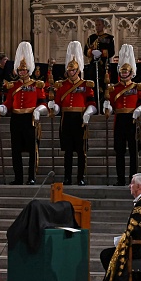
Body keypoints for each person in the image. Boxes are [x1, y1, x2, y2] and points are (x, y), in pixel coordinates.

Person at [0, 42, 48, 185]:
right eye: (20, 70)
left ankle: (31, 176)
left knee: (31, 149)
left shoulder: (37, 85)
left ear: (28, 70)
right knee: (15, 150)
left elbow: (43, 104)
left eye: (24, 70)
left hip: (30, 118)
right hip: (16, 119)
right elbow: (8, 104)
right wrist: (1, 108)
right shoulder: (14, 86)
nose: (22, 72)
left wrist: (38, 110)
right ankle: (18, 177)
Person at [49, 41, 97, 185]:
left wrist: (88, 113)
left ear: (78, 70)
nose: (71, 72)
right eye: (69, 70)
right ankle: (67, 177)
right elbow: (58, 103)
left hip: (80, 118)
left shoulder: (85, 85)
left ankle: (80, 177)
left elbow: (92, 103)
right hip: (66, 119)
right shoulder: (62, 85)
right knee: (68, 151)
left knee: (81, 152)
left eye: (73, 70)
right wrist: (54, 107)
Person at [104, 44, 141, 186]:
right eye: (122, 72)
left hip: (133, 120)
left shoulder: (137, 87)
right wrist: (108, 107)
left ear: (131, 72)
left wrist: (139, 110)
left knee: (133, 152)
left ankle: (133, 179)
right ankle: (120, 178)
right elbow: (111, 104)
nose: (124, 74)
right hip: (120, 120)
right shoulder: (114, 88)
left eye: (126, 72)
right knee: (119, 151)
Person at [84, 18, 115, 105]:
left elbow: (112, 52)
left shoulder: (109, 38)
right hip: (93, 65)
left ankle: (104, 103)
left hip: (104, 65)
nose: (97, 27)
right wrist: (91, 52)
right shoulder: (91, 38)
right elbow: (85, 51)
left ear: (103, 26)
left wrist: (101, 53)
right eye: (96, 25)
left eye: (99, 25)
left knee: (104, 84)